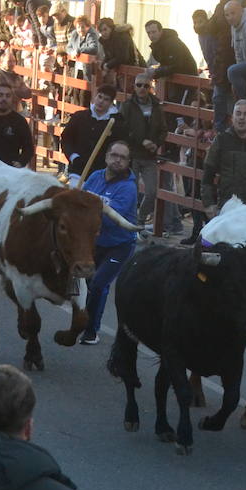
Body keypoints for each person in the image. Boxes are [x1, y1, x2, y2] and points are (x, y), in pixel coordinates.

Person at [78, 140, 138, 346]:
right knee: (83, 281)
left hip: (119, 244)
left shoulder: (128, 187)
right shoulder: (94, 177)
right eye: (114, 155)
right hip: (94, 242)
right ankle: (83, 318)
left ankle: (91, 330)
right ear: (106, 157)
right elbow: (80, 202)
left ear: (129, 162)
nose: (117, 160)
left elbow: (111, 218)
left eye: (123, 157)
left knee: (98, 284)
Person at [117, 72, 170, 228]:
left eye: (146, 86)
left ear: (150, 88)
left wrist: (156, 143)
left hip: (149, 156)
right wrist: (141, 141)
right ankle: (129, 221)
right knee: (130, 191)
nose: (142, 88)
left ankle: (139, 221)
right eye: (139, 85)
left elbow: (163, 130)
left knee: (152, 192)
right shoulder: (127, 106)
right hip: (132, 155)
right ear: (134, 86)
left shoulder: (157, 106)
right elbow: (122, 129)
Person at [61, 83, 121, 179]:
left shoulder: (117, 123)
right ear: (95, 97)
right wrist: (73, 157)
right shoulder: (79, 116)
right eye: (100, 97)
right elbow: (66, 139)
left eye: (106, 99)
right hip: (78, 170)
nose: (101, 101)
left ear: (111, 103)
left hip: (102, 174)